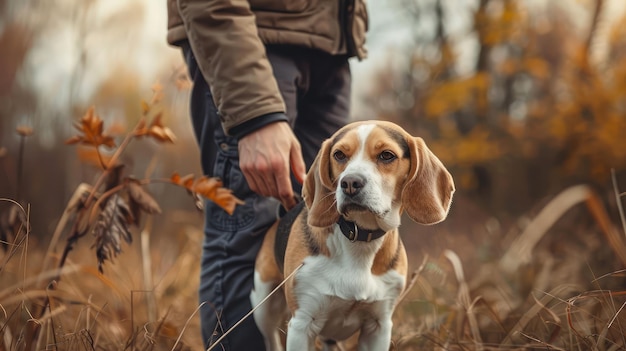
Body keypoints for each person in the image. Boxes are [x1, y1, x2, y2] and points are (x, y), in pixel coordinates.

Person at [166, 1, 368, 349]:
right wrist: (256, 114)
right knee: (246, 230)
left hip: (333, 45)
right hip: (251, 44)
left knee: (325, 226)